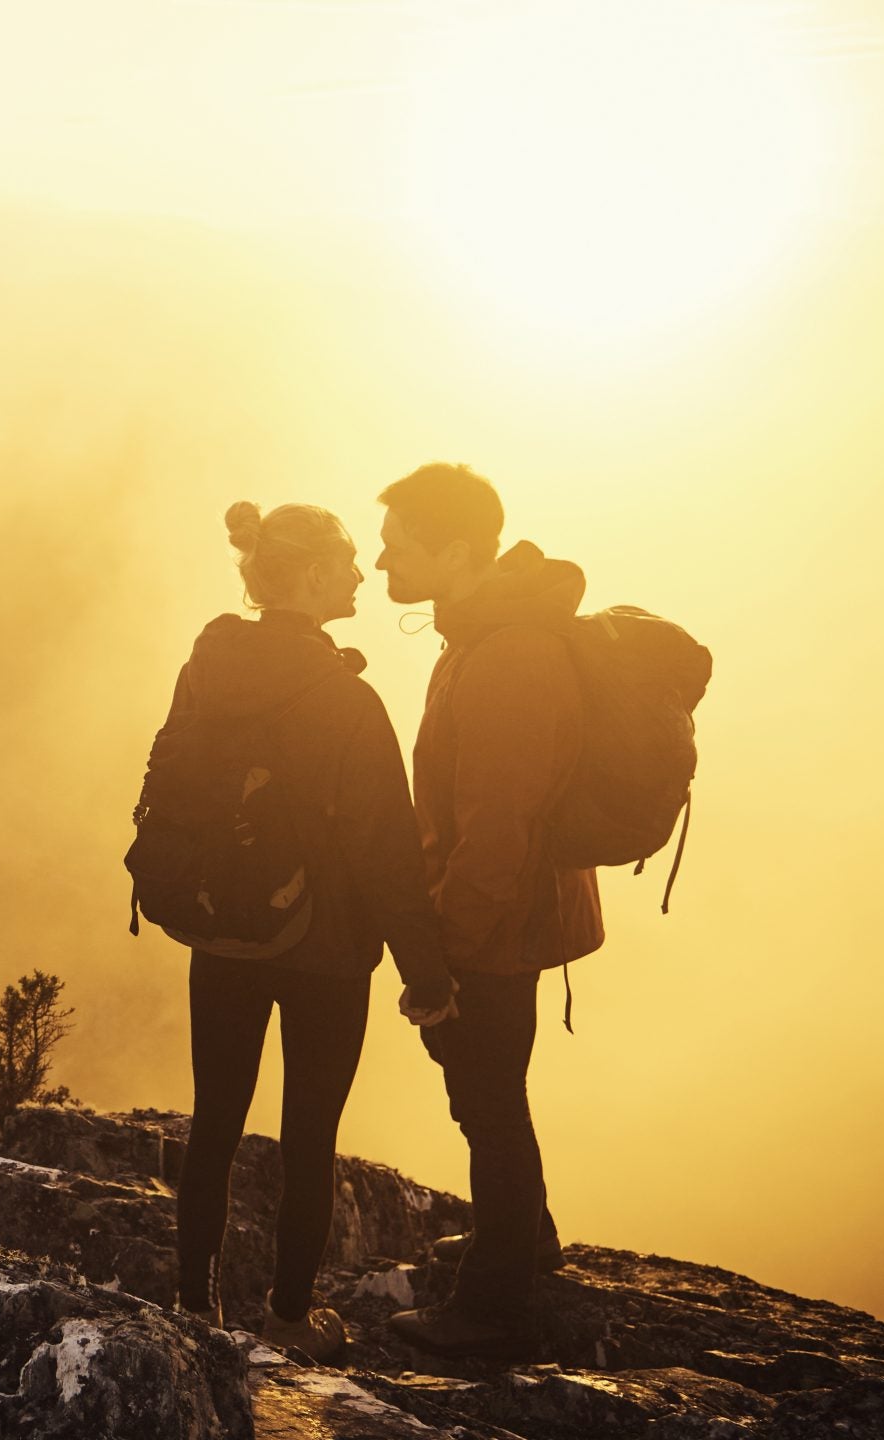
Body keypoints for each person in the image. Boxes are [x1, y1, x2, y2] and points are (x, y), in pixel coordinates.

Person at [134, 500, 456, 1363]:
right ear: (310, 576)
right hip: (328, 953)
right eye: (348, 562)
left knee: (215, 1121)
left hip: (221, 932)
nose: (359, 575)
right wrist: (427, 977)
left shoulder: (205, 667)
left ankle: (193, 1304)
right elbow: (389, 851)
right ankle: (286, 1313)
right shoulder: (345, 700)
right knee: (310, 1135)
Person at [372, 463, 603, 1358]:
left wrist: (446, 964)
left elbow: (497, 828)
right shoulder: (482, 636)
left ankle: (495, 1307)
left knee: (490, 1099)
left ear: (457, 551)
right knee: (488, 1096)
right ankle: (524, 1237)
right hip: (500, 915)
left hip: (494, 923)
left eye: (399, 540)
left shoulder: (509, 655)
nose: (384, 554)